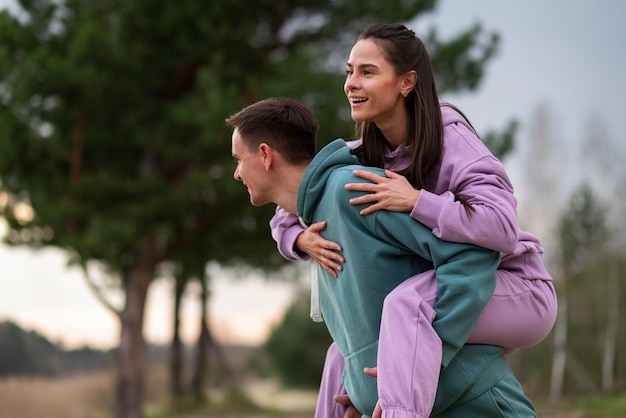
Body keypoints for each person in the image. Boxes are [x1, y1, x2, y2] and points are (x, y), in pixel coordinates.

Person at [269, 22, 557, 418]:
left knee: (405, 306)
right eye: (349, 71)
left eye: (367, 72)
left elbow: (503, 229)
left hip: (515, 290)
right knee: (342, 355)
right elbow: (292, 198)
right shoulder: (365, 155)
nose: (351, 83)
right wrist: (297, 239)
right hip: (450, 294)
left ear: (406, 82)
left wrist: (418, 200)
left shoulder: (453, 141)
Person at [227, 97, 537, 418]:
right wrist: (364, 393)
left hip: (479, 404)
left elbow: (471, 255)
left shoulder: (352, 190)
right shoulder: (313, 218)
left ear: (265, 155)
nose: (236, 173)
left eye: (238, 159)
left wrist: (429, 357)